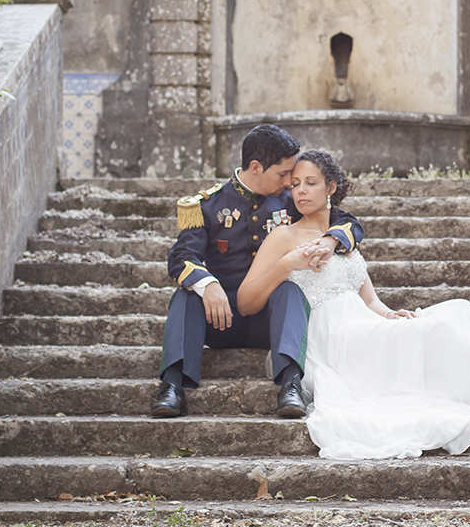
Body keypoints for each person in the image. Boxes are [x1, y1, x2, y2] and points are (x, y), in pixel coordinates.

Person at [236, 148, 470, 460]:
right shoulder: (284, 235)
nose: (300, 191)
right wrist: (288, 264)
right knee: (443, 328)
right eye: (295, 184)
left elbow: (370, 299)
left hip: (363, 324)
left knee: (457, 310)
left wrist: (389, 313)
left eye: (310, 183)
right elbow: (246, 302)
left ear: (331, 187)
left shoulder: (342, 237)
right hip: (330, 338)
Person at [151, 123, 367, 420]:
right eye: (283, 175)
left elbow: (348, 222)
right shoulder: (208, 206)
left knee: (290, 290)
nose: (290, 182)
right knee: (186, 295)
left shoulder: (289, 202)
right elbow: (182, 256)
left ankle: (290, 384)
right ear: (256, 167)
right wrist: (207, 284)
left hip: (272, 318)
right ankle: (172, 385)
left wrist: (331, 240)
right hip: (221, 317)